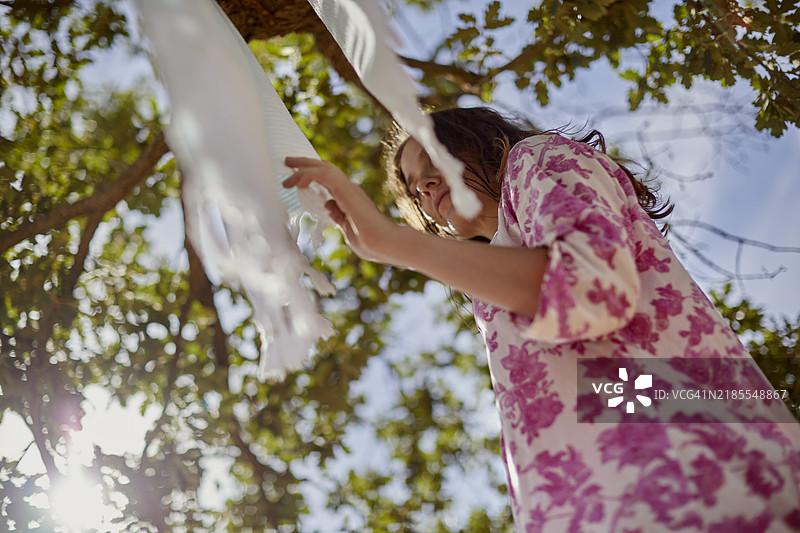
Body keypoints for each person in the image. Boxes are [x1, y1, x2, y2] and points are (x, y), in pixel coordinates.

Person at [284, 107, 800, 532]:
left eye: (433, 161)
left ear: (486, 143)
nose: (425, 190)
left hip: (692, 473)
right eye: (416, 188)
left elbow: (588, 288)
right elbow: (589, 388)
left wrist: (393, 241)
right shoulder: (491, 279)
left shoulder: (536, 159)